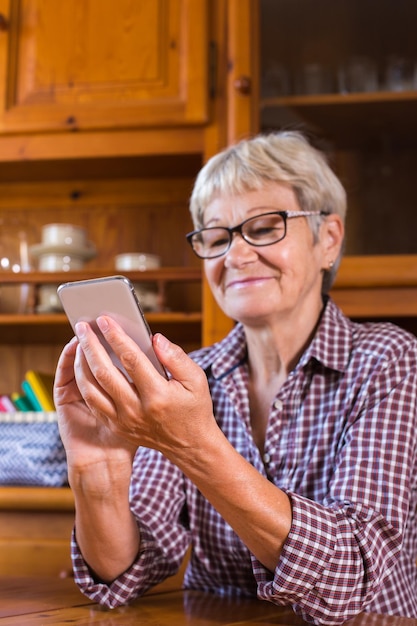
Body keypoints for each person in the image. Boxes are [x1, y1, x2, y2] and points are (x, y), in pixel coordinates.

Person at [54, 131, 417, 625]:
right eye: (218, 237)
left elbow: (351, 573)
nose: (236, 256)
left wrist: (195, 446)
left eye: (265, 228)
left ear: (328, 240)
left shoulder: (389, 360)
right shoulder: (188, 376)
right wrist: (97, 473)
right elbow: (124, 574)